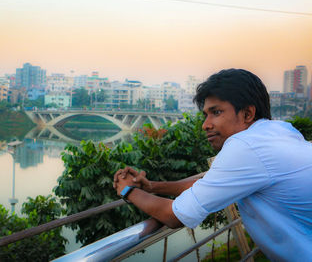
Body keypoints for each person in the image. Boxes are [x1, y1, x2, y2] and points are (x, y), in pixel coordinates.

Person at [113, 68, 312, 261]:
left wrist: (127, 191)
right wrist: (152, 186)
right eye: (205, 115)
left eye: (216, 112)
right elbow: (209, 181)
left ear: (247, 114)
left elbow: (173, 215)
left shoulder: (245, 146)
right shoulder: (281, 131)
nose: (205, 125)